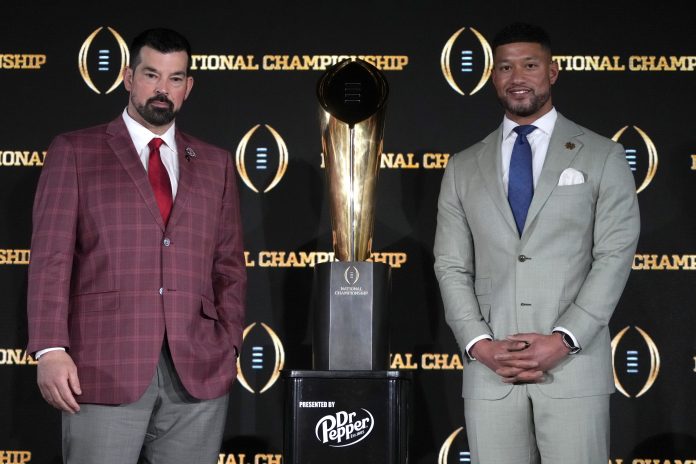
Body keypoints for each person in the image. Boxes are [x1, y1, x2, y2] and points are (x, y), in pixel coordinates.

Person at [26, 28, 246, 464]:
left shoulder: (216, 163)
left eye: (176, 78)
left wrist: (229, 345)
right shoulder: (75, 151)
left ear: (189, 87)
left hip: (198, 372)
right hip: (103, 366)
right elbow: (51, 259)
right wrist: (51, 349)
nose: (163, 89)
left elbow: (229, 267)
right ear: (128, 78)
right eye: (151, 75)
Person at [433, 22, 640, 463]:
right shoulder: (463, 166)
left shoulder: (603, 155)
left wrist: (564, 339)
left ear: (553, 71)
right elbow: (451, 265)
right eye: (505, 67)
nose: (517, 77)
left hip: (573, 368)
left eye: (530, 64)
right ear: (493, 77)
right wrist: (478, 344)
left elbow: (614, 255)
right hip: (492, 371)